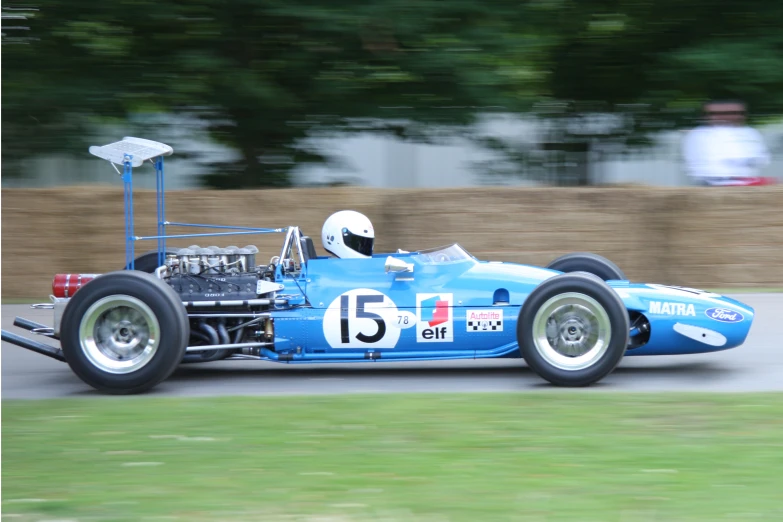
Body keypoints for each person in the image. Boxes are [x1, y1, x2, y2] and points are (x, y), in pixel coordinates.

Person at [681, 100, 773, 186]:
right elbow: (710, 166)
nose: (726, 117)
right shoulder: (699, 134)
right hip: (713, 182)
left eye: (734, 113)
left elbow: (763, 158)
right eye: (717, 114)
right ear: (705, 116)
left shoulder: (750, 132)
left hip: (746, 180)